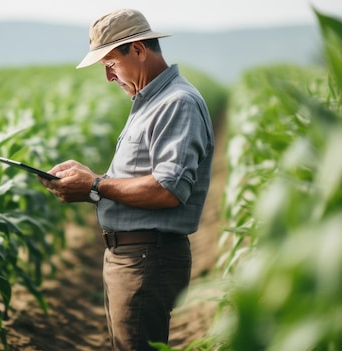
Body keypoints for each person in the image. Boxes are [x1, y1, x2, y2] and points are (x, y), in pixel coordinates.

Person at [38, 8, 214, 351]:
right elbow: (141, 180)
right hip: (133, 256)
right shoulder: (149, 102)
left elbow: (168, 189)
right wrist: (90, 180)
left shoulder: (176, 103)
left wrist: (94, 185)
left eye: (110, 64)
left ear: (137, 50)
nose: (108, 76)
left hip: (147, 258)